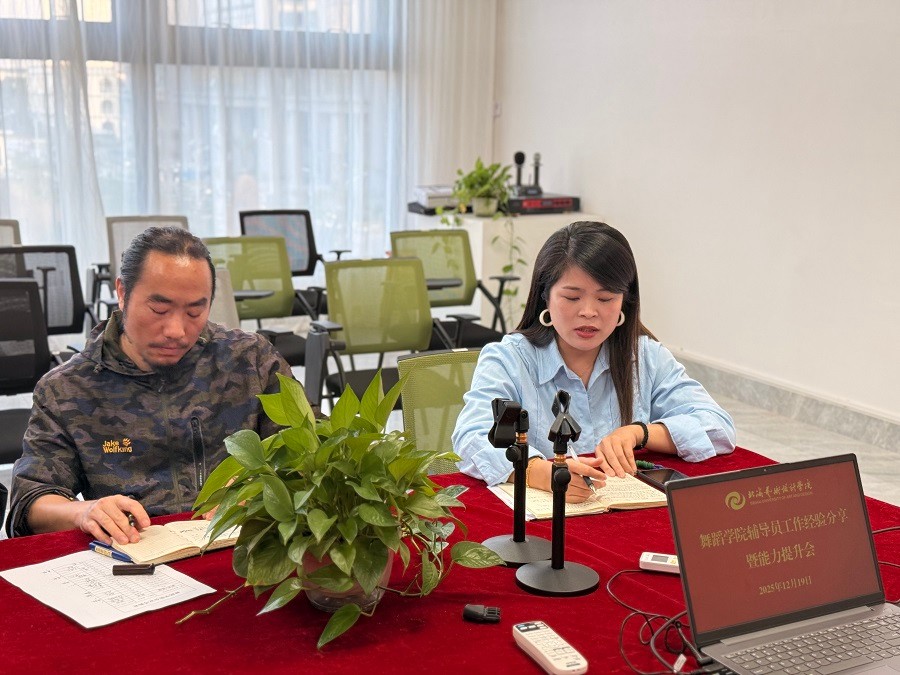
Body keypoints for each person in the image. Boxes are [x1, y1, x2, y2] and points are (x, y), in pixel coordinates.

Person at [7, 227, 293, 541]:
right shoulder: (67, 389)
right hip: (136, 552)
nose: (176, 331)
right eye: (159, 309)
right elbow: (31, 501)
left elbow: (311, 451)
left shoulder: (250, 360)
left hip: (240, 544)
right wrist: (83, 512)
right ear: (122, 292)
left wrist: (262, 483)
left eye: (195, 311)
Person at [453, 221, 735, 502]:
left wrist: (639, 432)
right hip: (545, 518)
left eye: (605, 298)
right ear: (545, 297)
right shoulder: (509, 358)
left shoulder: (645, 356)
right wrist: (541, 473)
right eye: (572, 297)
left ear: (624, 301)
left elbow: (718, 426)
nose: (588, 312)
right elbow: (471, 436)